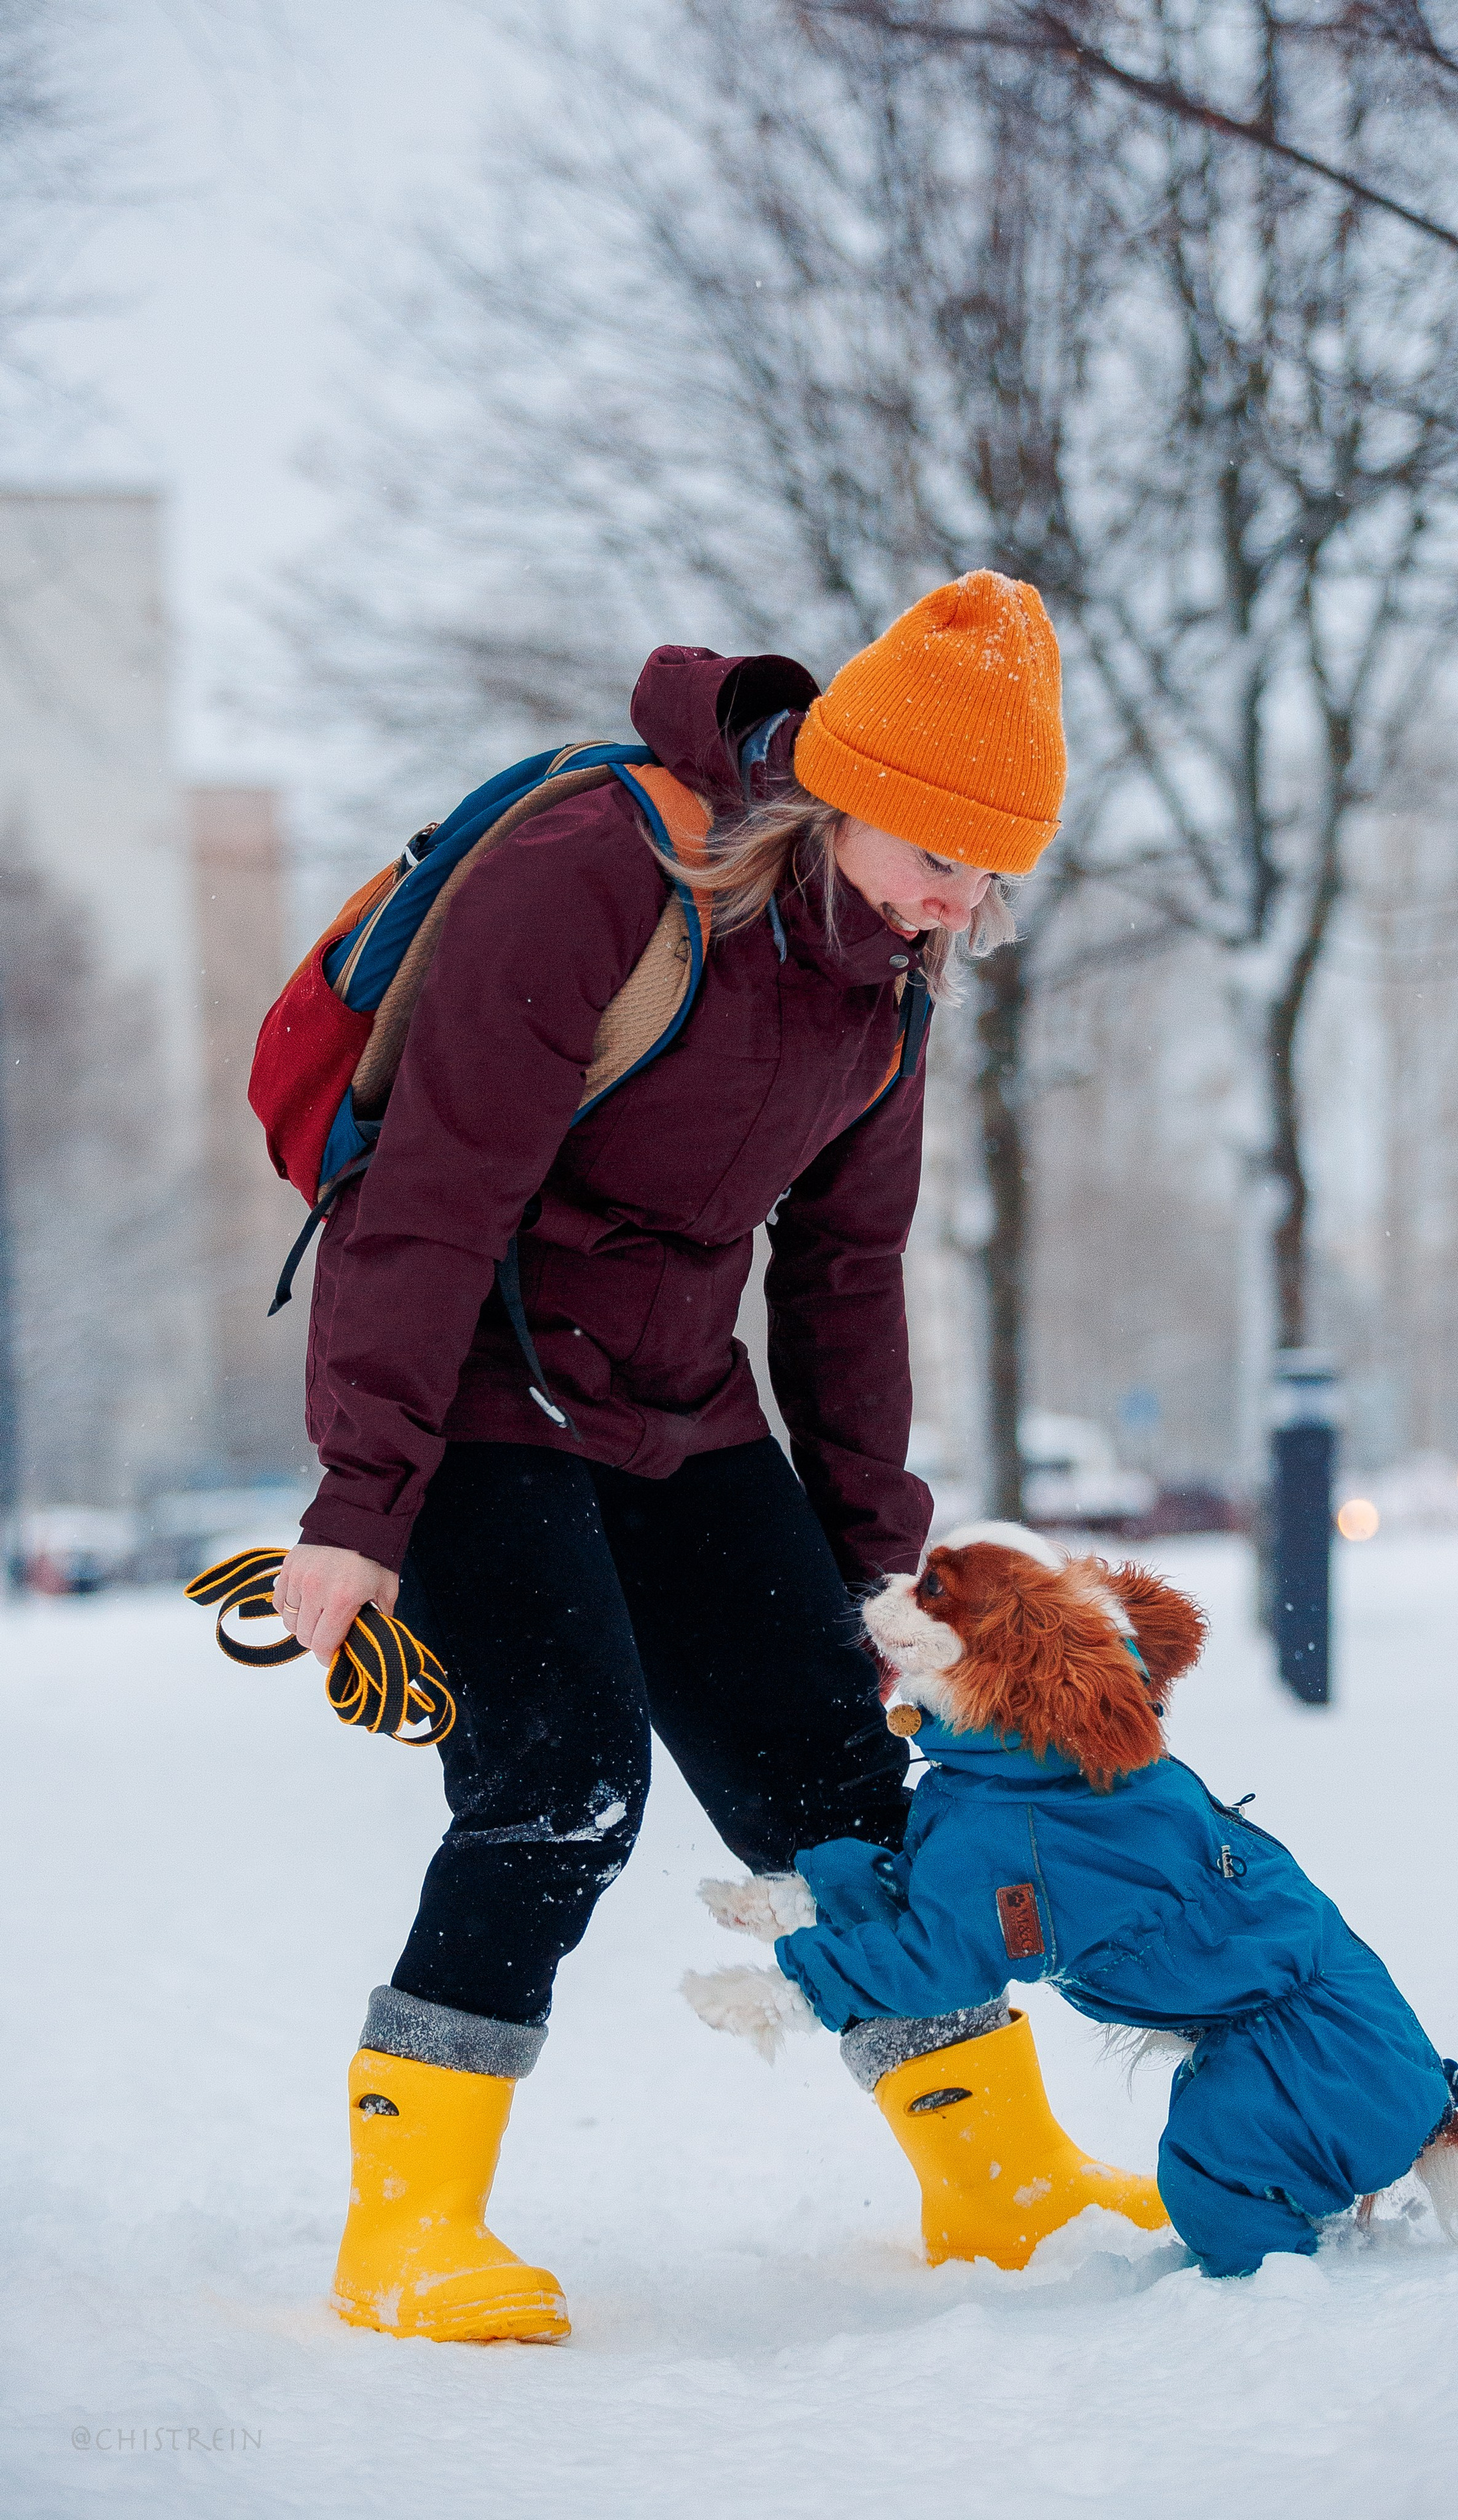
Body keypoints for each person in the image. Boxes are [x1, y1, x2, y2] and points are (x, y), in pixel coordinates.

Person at [276, 571, 1077, 2343]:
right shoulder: (598, 879)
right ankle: (408, 2221)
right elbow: (430, 1192)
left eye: (992, 869)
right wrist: (359, 1510)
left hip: (678, 1401)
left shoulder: (896, 982)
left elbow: (849, 1274)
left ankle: (996, 2173)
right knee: (562, 1776)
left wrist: (877, 1564)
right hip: (480, 1373)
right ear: (843, 790)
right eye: (939, 848)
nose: (962, 898)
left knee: (848, 1799)